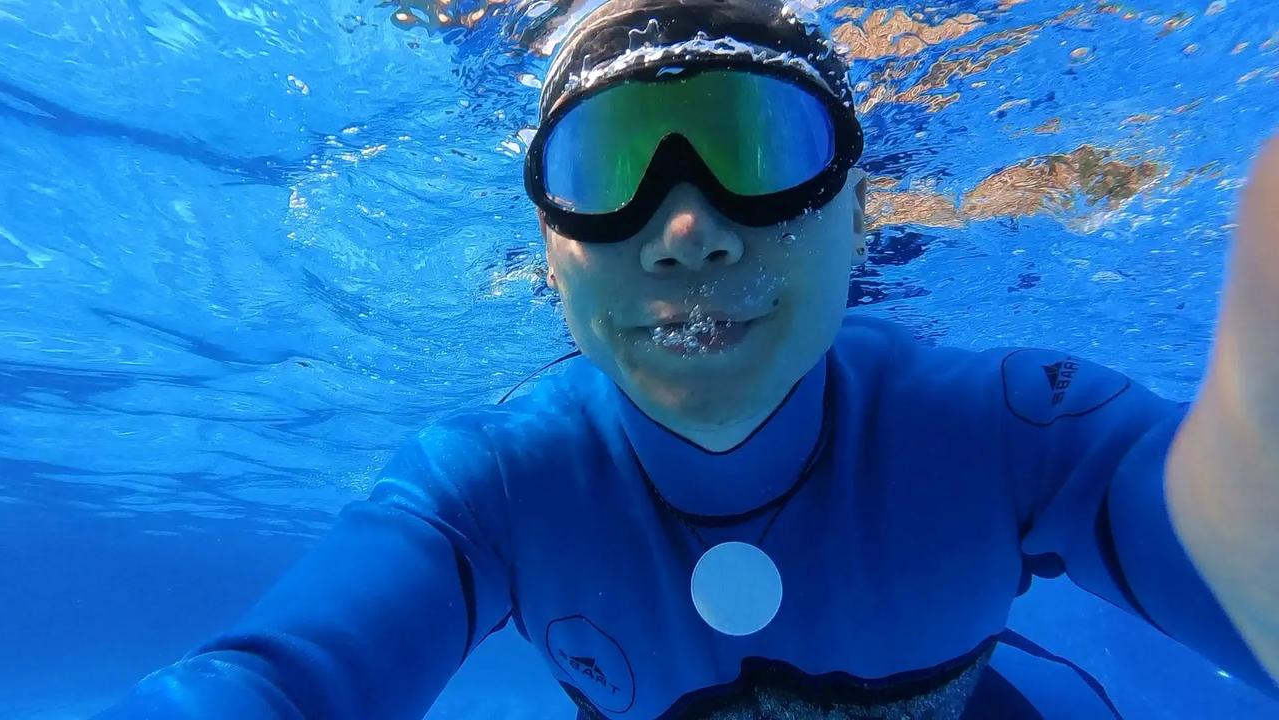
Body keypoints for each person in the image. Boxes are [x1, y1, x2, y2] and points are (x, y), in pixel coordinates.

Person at [97, 1, 1279, 718]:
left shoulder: (1011, 434)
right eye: (604, 166)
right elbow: (281, 684)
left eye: (760, 143)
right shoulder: (487, 488)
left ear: (860, 211)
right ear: (548, 251)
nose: (684, 229)